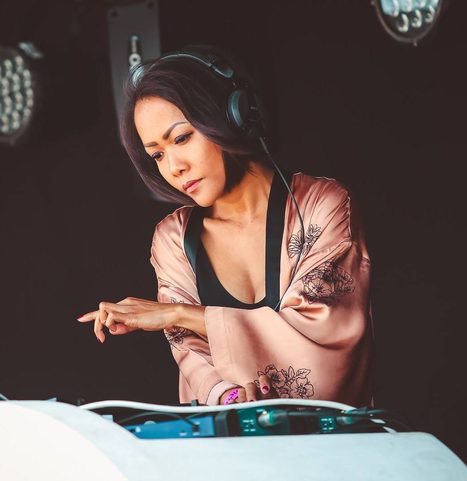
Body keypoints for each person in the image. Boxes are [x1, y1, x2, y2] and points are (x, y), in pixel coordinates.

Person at [77, 45, 374, 407]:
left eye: (182, 138)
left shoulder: (321, 205)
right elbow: (193, 355)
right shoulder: (173, 239)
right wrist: (231, 397)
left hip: (335, 441)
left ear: (233, 115)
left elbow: (323, 356)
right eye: (157, 154)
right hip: (226, 440)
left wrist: (177, 313)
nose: (174, 167)